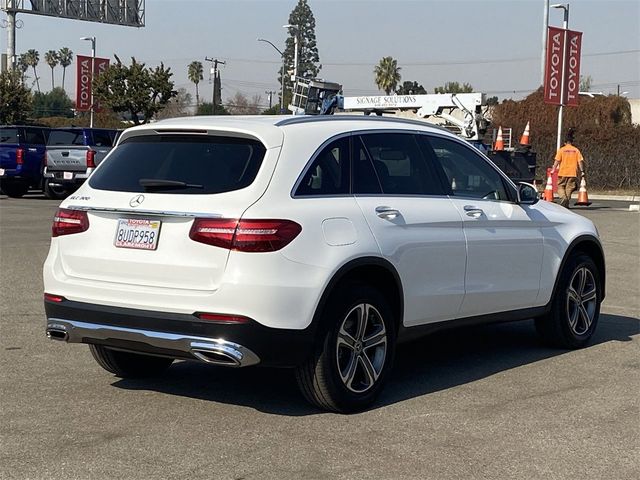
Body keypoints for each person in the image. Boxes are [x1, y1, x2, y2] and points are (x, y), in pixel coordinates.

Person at [551, 128, 585, 208]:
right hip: (573, 172)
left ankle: (564, 198)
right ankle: (566, 202)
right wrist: (582, 171)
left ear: (564, 142)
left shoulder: (562, 150)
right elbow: (580, 161)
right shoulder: (576, 150)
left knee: (560, 186)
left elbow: (557, 161)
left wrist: (553, 169)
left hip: (563, 172)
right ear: (572, 142)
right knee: (570, 187)